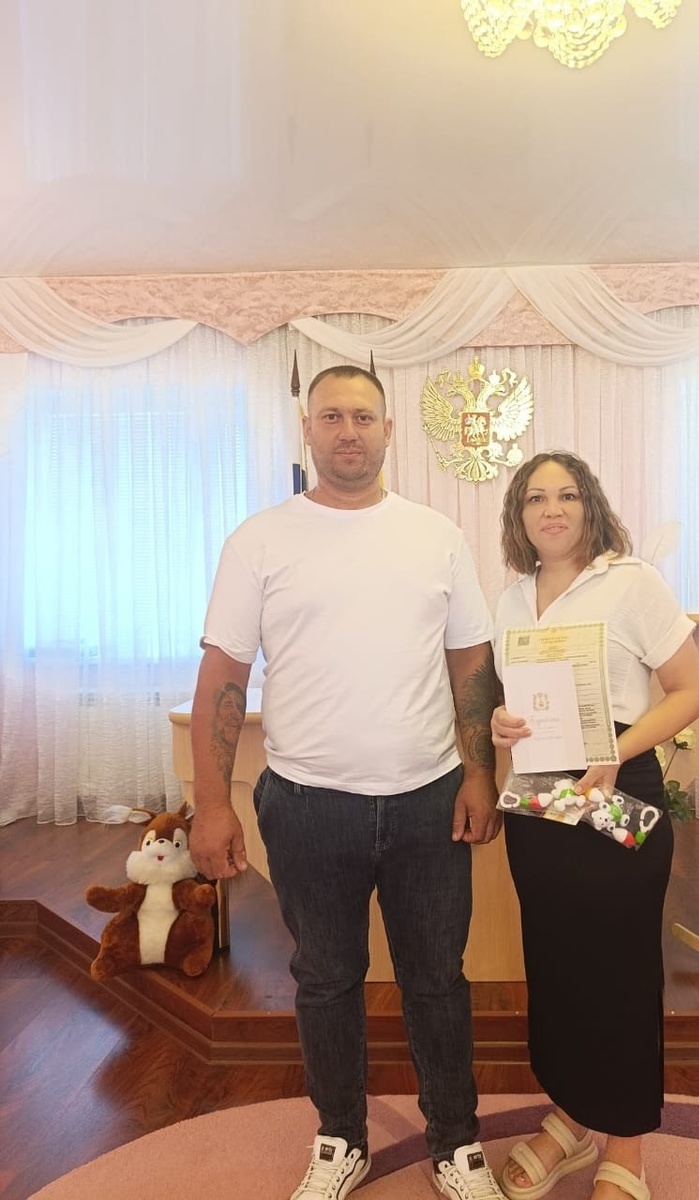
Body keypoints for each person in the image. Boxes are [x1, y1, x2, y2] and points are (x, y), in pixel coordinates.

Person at [188, 364, 507, 1200]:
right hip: (305, 806)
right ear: (307, 429)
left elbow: (470, 661)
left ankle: (455, 1142)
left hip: (428, 802)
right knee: (326, 980)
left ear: (389, 430)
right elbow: (224, 675)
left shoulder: (435, 535)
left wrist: (480, 775)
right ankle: (340, 1138)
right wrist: (212, 804)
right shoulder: (259, 540)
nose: (348, 432)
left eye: (363, 417)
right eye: (331, 417)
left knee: (436, 980)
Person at [490, 451, 699, 1200]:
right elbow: (517, 703)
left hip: (615, 788)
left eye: (567, 495)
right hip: (540, 803)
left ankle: (627, 1146)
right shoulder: (511, 599)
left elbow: (690, 691)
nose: (552, 509)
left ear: (591, 505)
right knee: (558, 968)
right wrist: (501, 724)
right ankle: (572, 1118)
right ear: (518, 515)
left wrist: (617, 750)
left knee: (618, 971)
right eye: (535, 498)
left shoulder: (631, 582)